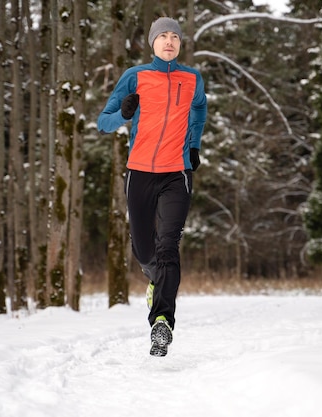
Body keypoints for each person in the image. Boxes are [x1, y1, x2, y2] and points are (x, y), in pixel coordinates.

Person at [97, 17, 207, 356]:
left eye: (175, 35)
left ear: (181, 43)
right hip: (140, 171)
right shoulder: (135, 76)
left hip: (178, 173)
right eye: (163, 36)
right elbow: (104, 122)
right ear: (152, 43)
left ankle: (161, 321)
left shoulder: (192, 78)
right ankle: (154, 277)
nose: (170, 41)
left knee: (168, 244)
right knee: (145, 251)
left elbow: (200, 110)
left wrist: (194, 146)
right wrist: (124, 113)